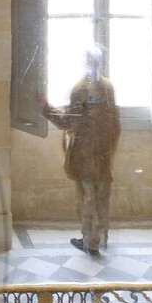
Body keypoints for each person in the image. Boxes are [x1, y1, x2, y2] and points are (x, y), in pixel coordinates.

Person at [39, 46, 121, 258]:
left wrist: (46, 106)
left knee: (87, 196)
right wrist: (111, 146)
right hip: (105, 150)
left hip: (85, 151)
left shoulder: (80, 88)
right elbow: (115, 121)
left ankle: (89, 241)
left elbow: (68, 120)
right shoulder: (108, 86)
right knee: (102, 195)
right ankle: (101, 236)